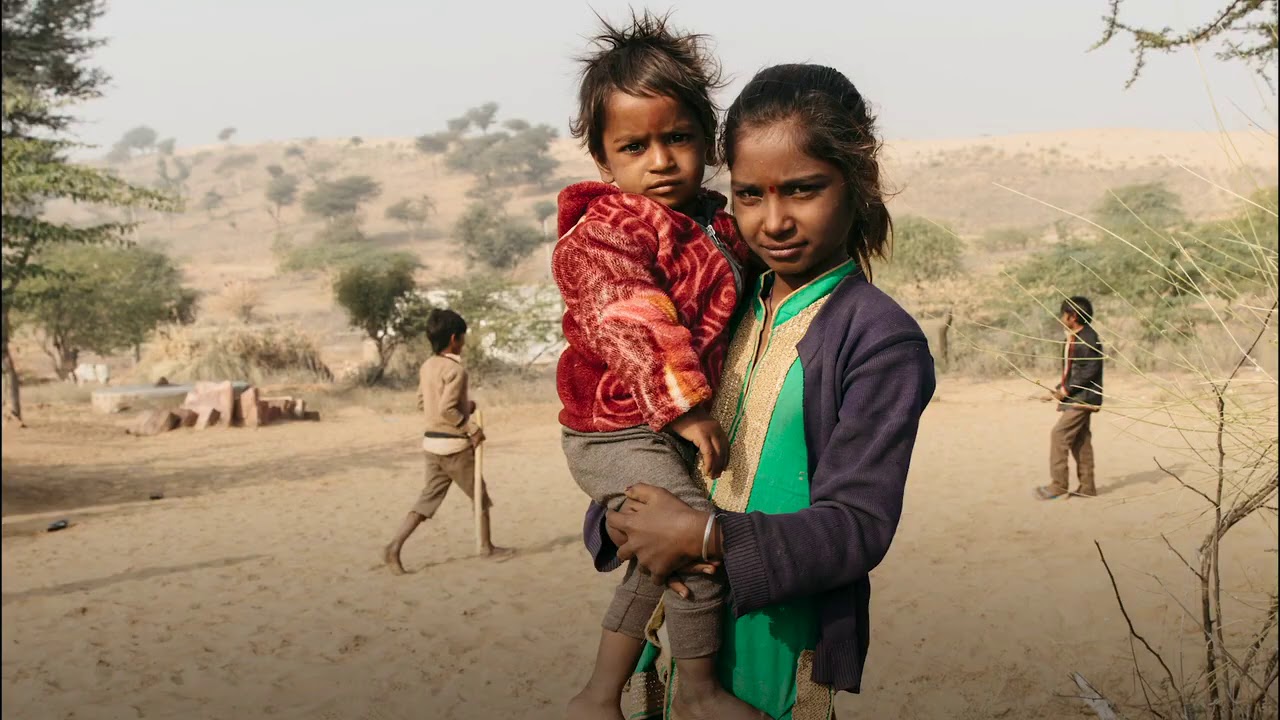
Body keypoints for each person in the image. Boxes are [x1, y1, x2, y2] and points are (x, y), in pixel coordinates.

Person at [583, 63, 936, 719]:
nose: (774, 222)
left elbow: (858, 527)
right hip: (667, 637)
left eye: (802, 190)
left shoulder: (879, 339)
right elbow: (644, 439)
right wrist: (620, 518)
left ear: (857, 179)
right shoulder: (719, 299)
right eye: (749, 195)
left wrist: (703, 535)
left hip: (776, 648)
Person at [553, 11, 758, 720]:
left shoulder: (715, 223)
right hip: (616, 429)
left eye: (678, 138)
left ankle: (596, 696)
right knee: (692, 539)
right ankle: (700, 692)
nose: (661, 160)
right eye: (634, 146)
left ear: (707, 138)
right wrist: (689, 408)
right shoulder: (607, 234)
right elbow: (633, 320)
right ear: (604, 161)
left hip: (656, 425)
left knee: (657, 553)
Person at [383, 309, 504, 574]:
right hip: (453, 447)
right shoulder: (455, 370)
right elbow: (447, 409)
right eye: (462, 337)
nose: (463, 342)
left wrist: (465, 406)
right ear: (453, 339)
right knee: (479, 494)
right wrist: (471, 428)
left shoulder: (427, 366)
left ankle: (394, 546)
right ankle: (486, 547)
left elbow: (424, 403)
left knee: (427, 500)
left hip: (431, 445)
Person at [1035, 296, 1104, 500]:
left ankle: (1058, 485)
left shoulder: (1088, 339)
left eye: (1063, 314)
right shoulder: (1075, 337)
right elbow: (1073, 371)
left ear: (1072, 316)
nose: (1061, 318)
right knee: (1080, 441)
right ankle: (1087, 487)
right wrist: (1057, 390)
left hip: (1083, 399)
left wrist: (1065, 391)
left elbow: (1089, 371)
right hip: (1078, 396)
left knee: (1059, 435)